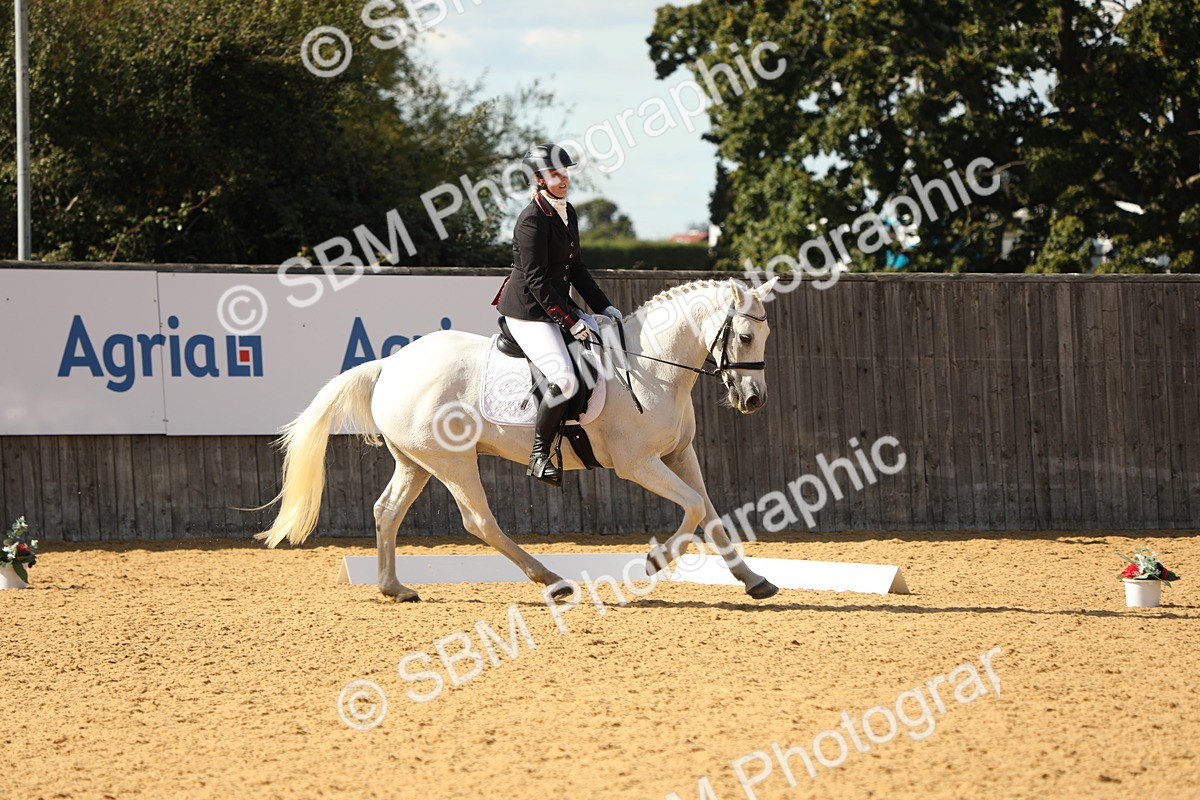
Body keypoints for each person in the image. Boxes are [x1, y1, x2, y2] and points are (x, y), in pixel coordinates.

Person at [493, 143, 622, 487]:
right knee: (564, 378)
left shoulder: (567, 211)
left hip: (555, 307)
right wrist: (572, 321)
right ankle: (539, 454)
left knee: (604, 348)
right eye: (555, 173)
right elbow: (536, 281)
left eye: (565, 172)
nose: (563, 178)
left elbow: (575, 268)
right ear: (538, 179)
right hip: (529, 313)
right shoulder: (531, 219)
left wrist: (603, 307)